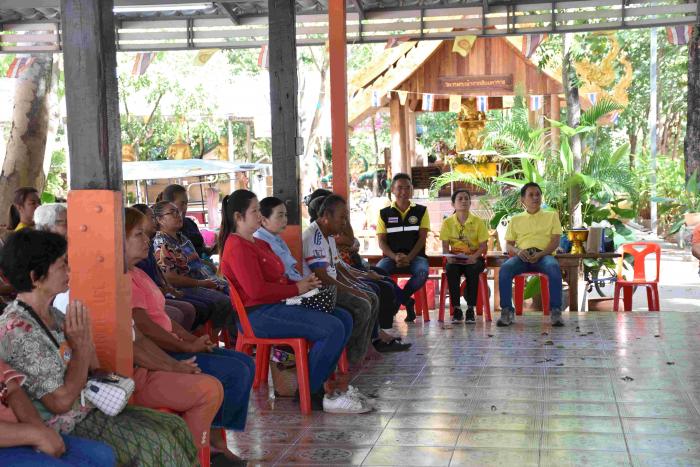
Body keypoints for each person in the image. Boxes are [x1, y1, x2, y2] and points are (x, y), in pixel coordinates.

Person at [0, 229, 198, 466]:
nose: (69, 271)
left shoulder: (55, 315)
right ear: (35, 277)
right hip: (64, 424)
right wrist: (81, 348)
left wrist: (85, 348)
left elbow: (93, 368)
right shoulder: (17, 330)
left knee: (174, 426)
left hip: (87, 409)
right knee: (157, 443)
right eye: (62, 265)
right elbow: (60, 402)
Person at [219, 190, 370, 414]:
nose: (259, 215)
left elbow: (279, 276)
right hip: (257, 315)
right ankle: (311, 392)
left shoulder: (258, 242)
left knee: (344, 318)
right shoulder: (237, 246)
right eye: (255, 211)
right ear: (238, 217)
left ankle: (322, 385)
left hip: (277, 304)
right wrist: (296, 288)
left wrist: (303, 284)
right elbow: (256, 291)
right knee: (332, 328)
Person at [124, 207, 253, 462]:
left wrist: (192, 340)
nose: (147, 239)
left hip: (167, 348)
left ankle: (216, 439)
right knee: (231, 372)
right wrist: (184, 349)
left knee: (245, 362)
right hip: (159, 354)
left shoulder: (137, 272)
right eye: (139, 234)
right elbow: (144, 329)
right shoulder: (121, 280)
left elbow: (164, 319)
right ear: (119, 241)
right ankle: (212, 446)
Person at [306, 195, 409, 353]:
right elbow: (323, 277)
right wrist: (353, 290)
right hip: (319, 292)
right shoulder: (314, 236)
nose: (344, 222)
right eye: (342, 217)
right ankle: (353, 355)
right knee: (363, 304)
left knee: (371, 294)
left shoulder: (328, 235)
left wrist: (358, 283)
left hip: (332, 286)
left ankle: (367, 347)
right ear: (326, 215)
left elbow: (339, 267)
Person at [0, 358, 116, 466]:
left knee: (103, 455)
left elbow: (12, 390)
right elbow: (61, 403)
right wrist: (35, 435)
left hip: (21, 432)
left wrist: (41, 431)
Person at [152, 200, 234, 337]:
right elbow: (170, 278)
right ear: (160, 220)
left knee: (235, 291)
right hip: (187, 287)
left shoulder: (182, 237)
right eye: (172, 213)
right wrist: (202, 283)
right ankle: (215, 338)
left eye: (177, 212)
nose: (178, 215)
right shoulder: (161, 242)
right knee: (224, 300)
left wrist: (211, 267)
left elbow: (195, 261)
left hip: (203, 280)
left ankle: (235, 336)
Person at [497, 182, 564, 327]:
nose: (535, 198)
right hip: (522, 256)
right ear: (523, 199)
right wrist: (518, 251)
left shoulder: (552, 216)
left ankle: (556, 311)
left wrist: (541, 254)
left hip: (544, 256)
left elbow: (555, 241)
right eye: (531, 195)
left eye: (538, 194)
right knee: (505, 269)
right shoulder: (515, 219)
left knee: (553, 267)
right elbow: (508, 244)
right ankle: (507, 311)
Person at [375, 173, 430, 322]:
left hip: (416, 257)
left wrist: (409, 258)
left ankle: (399, 300)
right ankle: (407, 301)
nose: (404, 191)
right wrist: (395, 257)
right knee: (378, 274)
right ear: (392, 190)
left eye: (407, 188)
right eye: (400, 188)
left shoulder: (421, 211)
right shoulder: (384, 213)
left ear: (412, 190)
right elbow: (381, 242)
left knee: (422, 273)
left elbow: (422, 239)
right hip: (391, 258)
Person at [439, 190, 488, 323]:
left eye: (466, 198)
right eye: (460, 199)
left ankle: (471, 309)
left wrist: (474, 257)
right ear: (453, 204)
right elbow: (445, 246)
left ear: (470, 203)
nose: (464, 201)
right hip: (455, 258)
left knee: (472, 269)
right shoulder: (447, 222)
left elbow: (483, 246)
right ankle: (457, 309)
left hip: (474, 258)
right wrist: (448, 257)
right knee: (451, 269)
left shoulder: (478, 222)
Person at [157, 184, 212, 259]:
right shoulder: (160, 238)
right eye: (182, 203)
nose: (185, 207)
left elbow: (202, 248)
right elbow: (168, 261)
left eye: (186, 203)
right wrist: (190, 258)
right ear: (169, 205)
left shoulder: (190, 223)